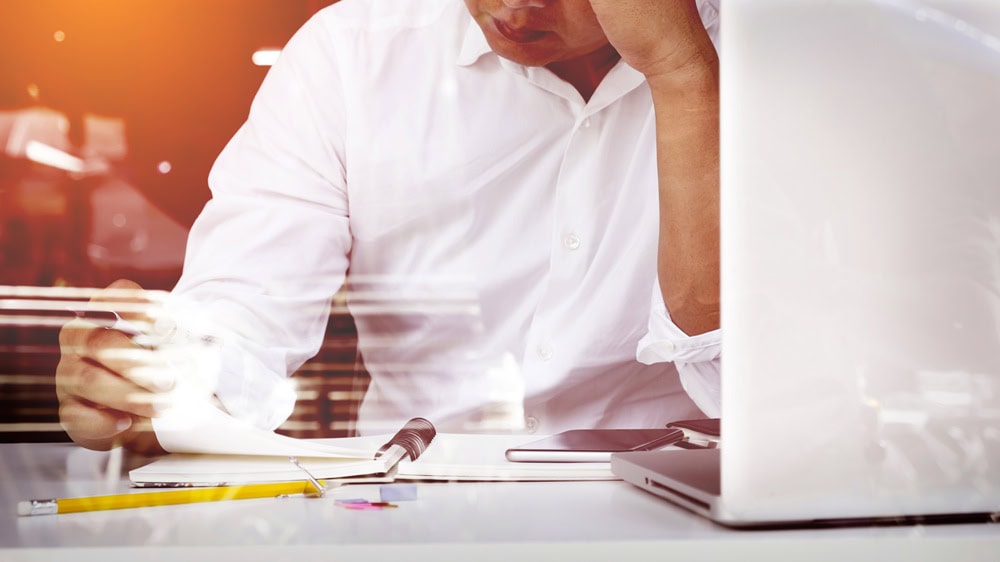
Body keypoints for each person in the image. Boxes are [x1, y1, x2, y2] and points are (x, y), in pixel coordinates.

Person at [56, 0, 721, 453]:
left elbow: (766, 389)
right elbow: (249, 312)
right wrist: (164, 376)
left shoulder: (776, 53)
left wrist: (683, 73)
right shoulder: (351, 52)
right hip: (414, 506)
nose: (516, 6)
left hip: (685, 511)